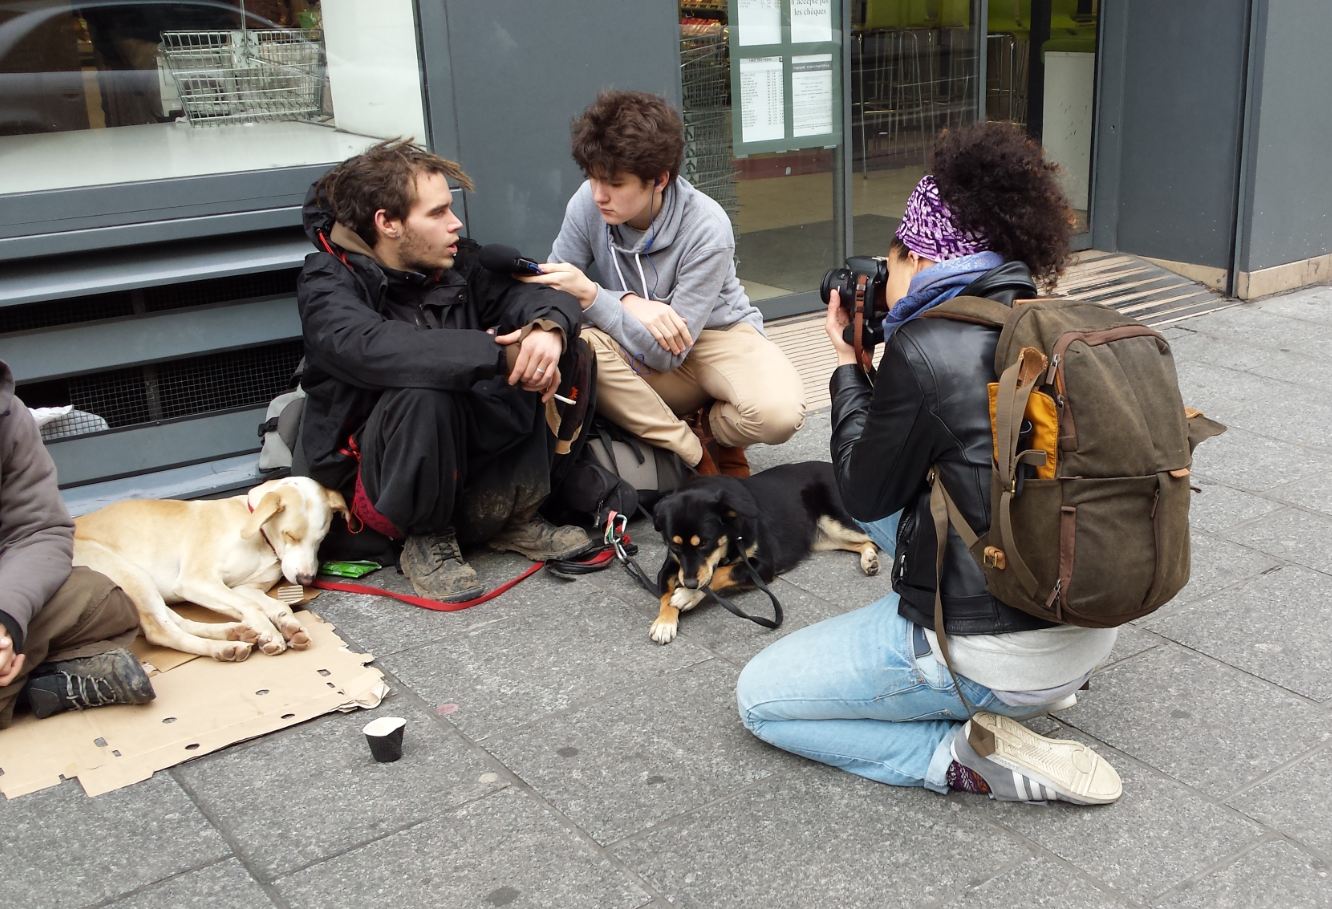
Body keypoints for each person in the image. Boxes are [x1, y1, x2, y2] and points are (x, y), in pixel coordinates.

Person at [735, 123, 1124, 805]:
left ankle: (955, 757)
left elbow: (860, 489)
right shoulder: (1056, 321)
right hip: (1088, 625)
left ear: (915, 256)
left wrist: (849, 368)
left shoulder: (929, 347)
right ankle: (1046, 685)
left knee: (759, 699)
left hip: (994, 657)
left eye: (889, 268)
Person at [296, 139, 590, 602]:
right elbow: (370, 347)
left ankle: (512, 517)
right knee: (427, 383)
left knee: (545, 347)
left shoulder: (459, 260)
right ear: (387, 223)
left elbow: (540, 294)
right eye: (437, 213)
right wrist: (496, 354)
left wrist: (546, 330)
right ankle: (425, 541)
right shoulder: (326, 282)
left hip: (462, 464)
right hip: (376, 484)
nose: (455, 224)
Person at [522, 90, 806, 477]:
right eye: (592, 178)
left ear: (659, 179)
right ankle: (690, 450)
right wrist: (624, 301)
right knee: (580, 346)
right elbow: (555, 285)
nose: (599, 195)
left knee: (779, 414)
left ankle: (709, 430)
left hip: (716, 334)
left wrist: (593, 295)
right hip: (633, 340)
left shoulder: (706, 225)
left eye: (615, 183)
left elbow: (667, 353)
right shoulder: (587, 204)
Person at [0, 359, 155, 727]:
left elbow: (37, 530)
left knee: (105, 601)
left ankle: (24, 676)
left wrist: (5, 619)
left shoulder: (7, 415)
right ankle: (37, 687)